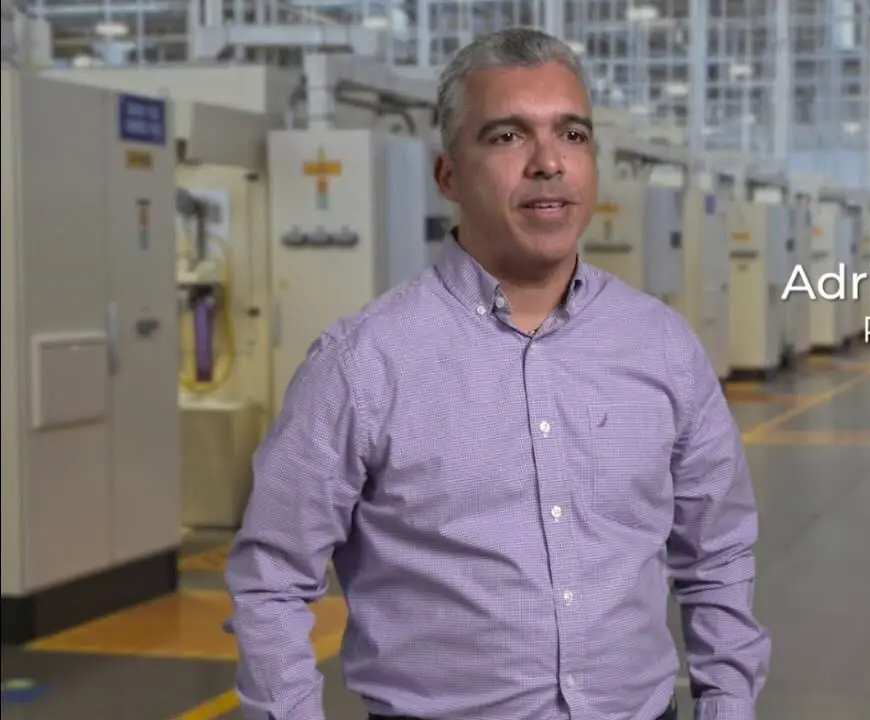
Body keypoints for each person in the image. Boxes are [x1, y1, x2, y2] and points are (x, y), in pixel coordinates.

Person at [224, 27, 770, 720]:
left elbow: (717, 552)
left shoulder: (662, 348)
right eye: (508, 136)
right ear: (448, 175)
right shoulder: (364, 365)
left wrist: (728, 704)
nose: (548, 163)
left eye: (572, 134)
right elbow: (271, 579)